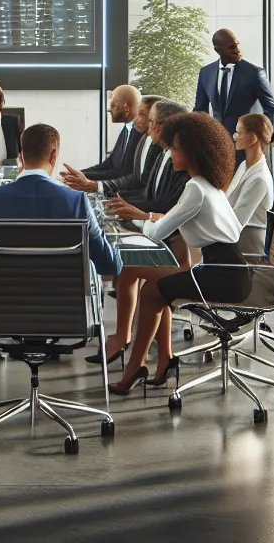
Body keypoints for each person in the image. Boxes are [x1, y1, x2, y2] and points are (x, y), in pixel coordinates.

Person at [106, 113, 250, 394]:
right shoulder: (210, 185)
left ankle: (136, 369)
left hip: (220, 277)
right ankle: (161, 359)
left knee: (152, 291)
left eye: (174, 147)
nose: (169, 153)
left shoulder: (195, 188)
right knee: (137, 272)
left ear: (191, 152)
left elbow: (155, 234)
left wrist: (138, 221)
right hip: (228, 271)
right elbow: (172, 219)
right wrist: (143, 214)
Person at [84, 98, 192, 367]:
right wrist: (121, 205)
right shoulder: (164, 154)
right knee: (126, 267)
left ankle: (127, 344)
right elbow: (148, 194)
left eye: (152, 122)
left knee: (130, 268)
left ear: (166, 125)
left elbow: (166, 206)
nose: (147, 128)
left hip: (177, 245)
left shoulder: (181, 161)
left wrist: (130, 209)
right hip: (163, 233)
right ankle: (139, 348)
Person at [0, 124, 122, 276]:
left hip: (5, 309)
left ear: (21, 157)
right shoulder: (77, 202)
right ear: (53, 156)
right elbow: (109, 265)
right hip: (64, 309)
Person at [62, 95, 175, 197]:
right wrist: (86, 178)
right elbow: (131, 176)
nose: (109, 109)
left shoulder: (159, 147)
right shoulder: (142, 139)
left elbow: (142, 186)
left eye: (140, 114)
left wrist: (101, 189)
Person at [193, 28, 274, 150]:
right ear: (218, 50)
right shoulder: (206, 72)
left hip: (246, 144)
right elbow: (200, 109)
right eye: (231, 48)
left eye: (237, 45)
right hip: (215, 144)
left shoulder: (254, 73)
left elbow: (271, 108)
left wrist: (263, 136)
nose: (237, 50)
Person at [229, 114, 274, 256]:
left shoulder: (259, 178)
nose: (234, 136)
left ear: (253, 138)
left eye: (239, 132)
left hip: (247, 243)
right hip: (238, 236)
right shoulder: (245, 165)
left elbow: (237, 221)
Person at [80, 84, 144, 182]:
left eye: (113, 105)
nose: (109, 109)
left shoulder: (141, 135)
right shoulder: (126, 129)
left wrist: (84, 177)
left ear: (126, 108)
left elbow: (120, 173)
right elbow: (110, 164)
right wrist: (80, 174)